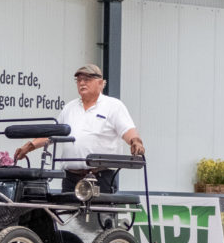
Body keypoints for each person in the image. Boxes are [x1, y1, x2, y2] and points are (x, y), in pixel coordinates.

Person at [13, 63, 145, 193]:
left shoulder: (113, 106)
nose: (82, 83)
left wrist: (135, 141)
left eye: (87, 79)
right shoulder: (70, 107)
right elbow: (53, 133)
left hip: (100, 177)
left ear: (100, 83)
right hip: (71, 178)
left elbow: (127, 130)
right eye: (79, 80)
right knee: (67, 214)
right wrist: (30, 146)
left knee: (99, 214)